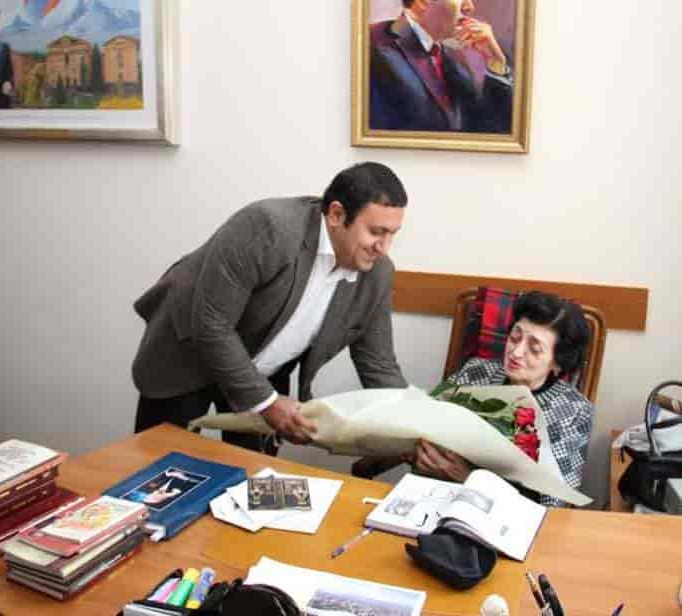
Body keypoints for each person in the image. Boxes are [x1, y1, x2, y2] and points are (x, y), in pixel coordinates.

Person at [132, 162, 409, 453]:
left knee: (256, 474)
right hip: (187, 351)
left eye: (393, 234)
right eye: (376, 232)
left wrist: (416, 427)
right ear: (337, 215)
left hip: (263, 368)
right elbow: (211, 322)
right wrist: (268, 403)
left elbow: (379, 365)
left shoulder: (377, 274)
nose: (384, 247)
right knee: (157, 467)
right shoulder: (268, 227)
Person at [410, 291, 595, 506]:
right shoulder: (476, 370)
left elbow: (555, 503)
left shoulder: (574, 411)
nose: (516, 352)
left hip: (508, 516)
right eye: (515, 337)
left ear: (558, 363)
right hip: (434, 495)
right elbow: (425, 421)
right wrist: (419, 451)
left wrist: (468, 479)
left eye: (534, 348)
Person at [370, 0, 512, 133]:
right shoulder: (370, 47)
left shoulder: (455, 59)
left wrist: (496, 62)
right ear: (421, 2)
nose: (469, 6)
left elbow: (487, 130)